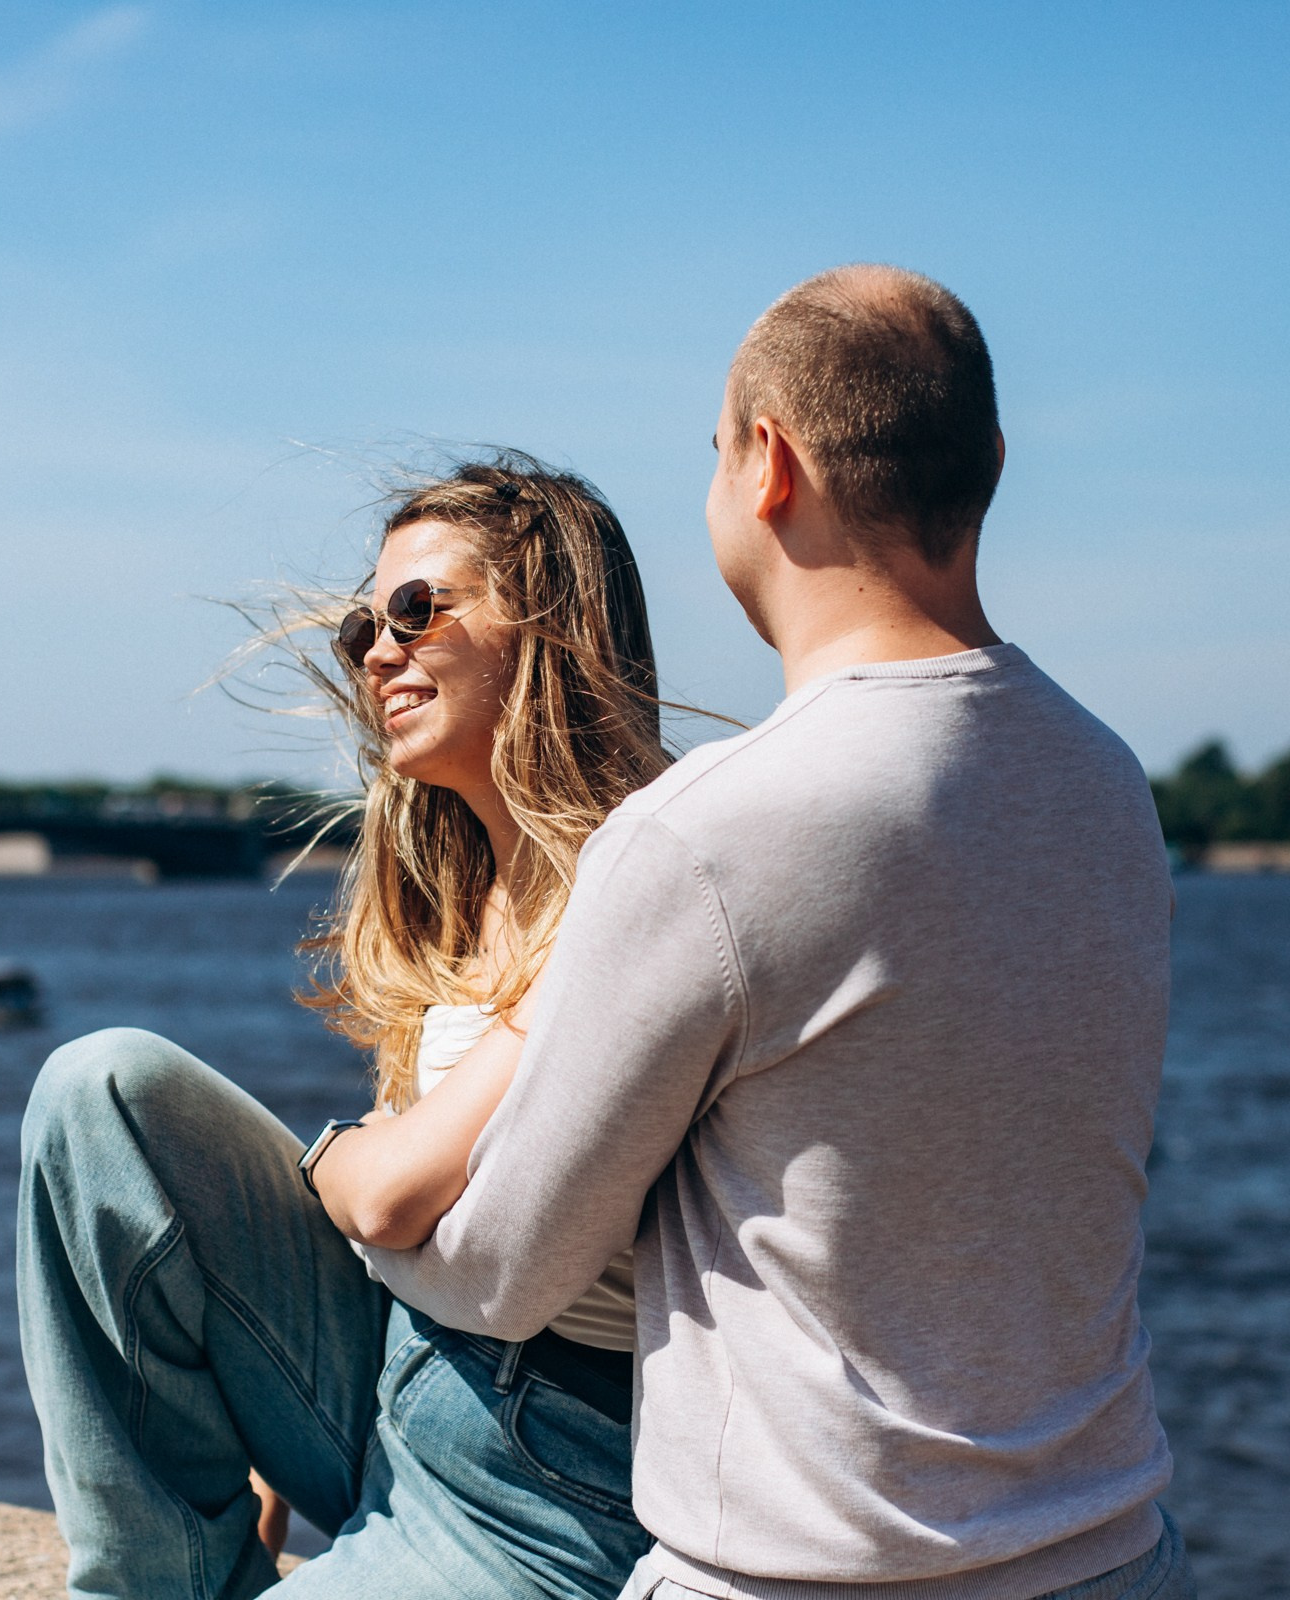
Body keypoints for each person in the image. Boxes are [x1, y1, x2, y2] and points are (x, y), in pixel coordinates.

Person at [363, 266, 1196, 1600]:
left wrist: (349, 1180)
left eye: (713, 454)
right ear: (986, 462)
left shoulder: (710, 830)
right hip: (1113, 1556)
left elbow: (506, 1274)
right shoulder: (1108, 787)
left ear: (768, 466)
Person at [16, 453, 670, 1600]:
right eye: (364, 624)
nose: (379, 649)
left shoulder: (640, 874)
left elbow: (381, 1193)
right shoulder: (456, 888)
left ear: (548, 626)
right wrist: (260, 1456)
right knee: (100, 1090)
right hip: (394, 1383)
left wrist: (331, 1156)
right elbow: (387, 1184)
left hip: (548, 1485)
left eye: (417, 610)